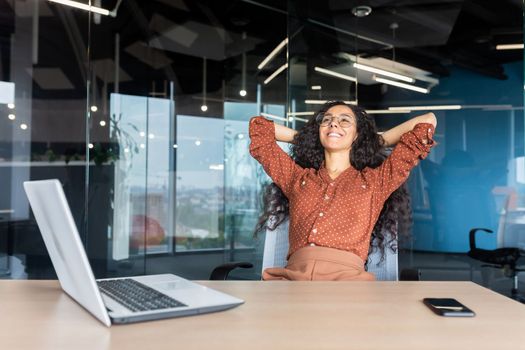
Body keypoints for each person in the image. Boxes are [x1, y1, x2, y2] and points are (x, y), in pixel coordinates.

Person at [249, 100, 436, 281]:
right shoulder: (296, 178)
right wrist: (310, 138)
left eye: (344, 120)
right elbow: (259, 127)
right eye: (326, 120)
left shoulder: (376, 182)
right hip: (293, 280)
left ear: (356, 135)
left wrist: (373, 141)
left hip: (348, 283)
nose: (334, 124)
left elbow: (427, 120)